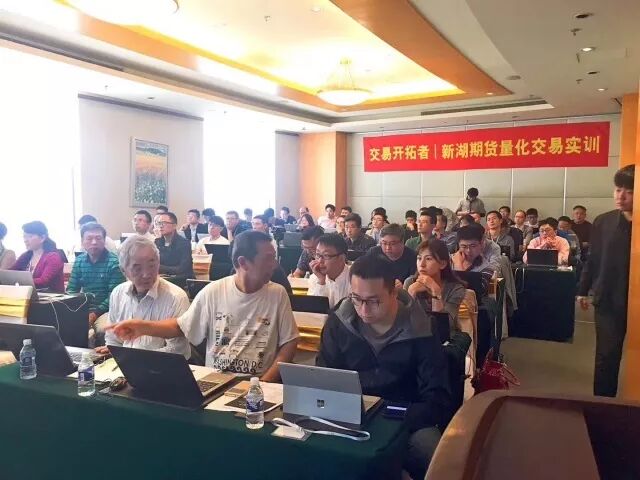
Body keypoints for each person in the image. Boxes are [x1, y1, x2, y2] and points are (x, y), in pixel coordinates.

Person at [316, 254, 451, 480]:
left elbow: (437, 397)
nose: (363, 310)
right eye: (357, 299)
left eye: (374, 301)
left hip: (407, 417)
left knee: (441, 462)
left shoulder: (421, 328)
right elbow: (325, 375)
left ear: (394, 293)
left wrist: (392, 417)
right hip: (350, 413)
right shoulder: (340, 321)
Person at [107, 230, 300, 381]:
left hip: (258, 382)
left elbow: (289, 343)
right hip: (216, 381)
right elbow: (181, 327)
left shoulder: (277, 294)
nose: (275, 265)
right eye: (268, 259)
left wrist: (264, 383)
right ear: (243, 263)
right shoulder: (214, 291)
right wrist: (142, 327)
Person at [577, 165, 634, 397]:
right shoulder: (604, 221)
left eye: (629, 191)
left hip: (635, 299)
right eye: (618, 189)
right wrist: (583, 289)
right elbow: (593, 258)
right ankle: (602, 404)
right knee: (606, 356)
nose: (621, 196)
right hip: (609, 297)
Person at [99, 236, 191, 357]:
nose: (146, 274)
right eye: (137, 268)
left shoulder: (176, 297)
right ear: (123, 270)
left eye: (151, 265)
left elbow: (179, 351)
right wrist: (115, 352)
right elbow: (113, 340)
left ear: (158, 263)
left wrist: (133, 356)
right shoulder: (118, 293)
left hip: (160, 366)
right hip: (124, 363)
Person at [67, 222, 125, 339]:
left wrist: (94, 314)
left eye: (98, 238)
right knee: (63, 324)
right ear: (82, 241)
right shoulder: (79, 261)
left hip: (107, 310)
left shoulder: (114, 262)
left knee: (103, 330)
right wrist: (72, 310)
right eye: (89, 238)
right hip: (83, 309)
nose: (94, 242)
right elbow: (71, 290)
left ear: (104, 241)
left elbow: (114, 297)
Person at [404, 239, 466, 330]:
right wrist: (411, 292)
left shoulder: (455, 289)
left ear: (442, 264)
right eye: (419, 258)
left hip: (444, 336)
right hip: (415, 334)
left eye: (428, 259)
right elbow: (403, 323)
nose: (422, 264)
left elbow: (445, 325)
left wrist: (436, 292)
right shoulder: (410, 282)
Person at [11, 221, 64, 292]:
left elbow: (44, 281)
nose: (25, 240)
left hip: (50, 297)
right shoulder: (26, 256)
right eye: (24, 236)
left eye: (30, 236)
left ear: (42, 238)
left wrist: (19, 282)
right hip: (29, 295)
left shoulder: (53, 257)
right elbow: (10, 272)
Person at [308, 234, 350, 307]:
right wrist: (321, 282)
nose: (320, 261)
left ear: (341, 258)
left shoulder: (355, 278)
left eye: (326, 255)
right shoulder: (315, 278)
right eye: (318, 254)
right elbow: (314, 309)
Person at [451, 225, 494, 296]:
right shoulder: (447, 261)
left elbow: (475, 293)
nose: (468, 250)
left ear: (481, 244)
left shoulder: (487, 268)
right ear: (458, 245)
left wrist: (458, 266)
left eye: (473, 246)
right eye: (464, 246)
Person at [154, 212, 194, 279]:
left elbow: (182, 269)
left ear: (174, 226)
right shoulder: (157, 242)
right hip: (161, 278)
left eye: (164, 223)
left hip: (180, 279)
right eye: (159, 223)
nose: (161, 226)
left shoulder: (184, 243)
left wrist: (159, 267)